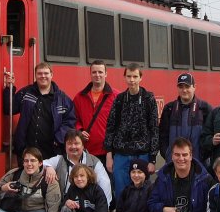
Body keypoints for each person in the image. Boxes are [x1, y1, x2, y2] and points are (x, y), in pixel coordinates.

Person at [104, 63, 159, 197]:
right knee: (121, 192)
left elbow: (154, 129)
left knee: (142, 192)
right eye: (129, 76)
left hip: (142, 154)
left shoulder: (148, 98)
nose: (132, 80)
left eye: (135, 76)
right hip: (121, 155)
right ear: (125, 77)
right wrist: (109, 154)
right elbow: (110, 127)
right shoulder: (119, 99)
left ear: (141, 78)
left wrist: (152, 159)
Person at [4, 62, 76, 161]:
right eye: (39, 73)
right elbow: (9, 109)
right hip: (26, 151)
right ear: (35, 75)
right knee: (27, 176)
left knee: (50, 176)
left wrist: (59, 138)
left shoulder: (62, 98)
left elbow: (70, 121)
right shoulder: (26, 93)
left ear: (51, 75)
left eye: (46, 73)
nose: (43, 76)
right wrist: (9, 88)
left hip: (52, 152)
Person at [43, 129, 112, 207]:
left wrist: (105, 207)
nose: (73, 147)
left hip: (88, 206)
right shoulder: (59, 160)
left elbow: (105, 183)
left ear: (83, 145)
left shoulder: (94, 162)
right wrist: (48, 167)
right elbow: (40, 163)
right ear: (65, 146)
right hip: (65, 205)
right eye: (69, 143)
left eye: (76, 143)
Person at [159, 72, 212, 163]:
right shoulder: (169, 108)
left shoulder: (205, 108)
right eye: (181, 87)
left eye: (187, 87)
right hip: (174, 163)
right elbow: (162, 136)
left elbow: (209, 137)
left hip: (199, 164)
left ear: (194, 87)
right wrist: (168, 155)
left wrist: (202, 156)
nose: (184, 90)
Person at [73, 60, 117, 165]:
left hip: (109, 153)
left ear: (106, 74)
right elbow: (74, 119)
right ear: (90, 74)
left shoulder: (116, 96)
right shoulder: (79, 97)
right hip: (87, 151)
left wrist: (112, 151)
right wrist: (79, 130)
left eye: (100, 72)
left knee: (108, 181)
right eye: (94, 72)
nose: (97, 75)